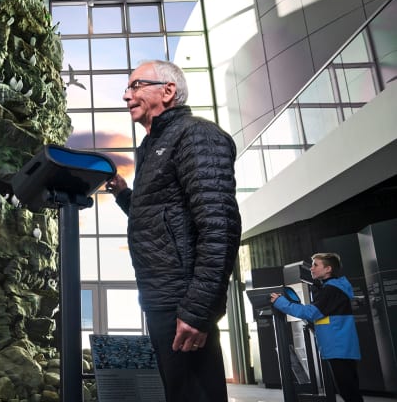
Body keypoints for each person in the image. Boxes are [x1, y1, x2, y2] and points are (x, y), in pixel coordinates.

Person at [106, 60, 241, 402]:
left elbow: (219, 225)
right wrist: (124, 194)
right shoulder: (152, 146)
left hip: (184, 301)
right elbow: (161, 215)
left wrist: (198, 309)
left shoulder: (196, 134)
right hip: (161, 298)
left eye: (136, 85)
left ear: (168, 91)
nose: (126, 95)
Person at [270, 253, 363, 402]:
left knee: (348, 391)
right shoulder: (332, 288)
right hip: (340, 345)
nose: (311, 268)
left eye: (315, 265)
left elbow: (311, 312)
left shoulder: (331, 290)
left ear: (328, 269)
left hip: (338, 346)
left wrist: (281, 303)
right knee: (349, 389)